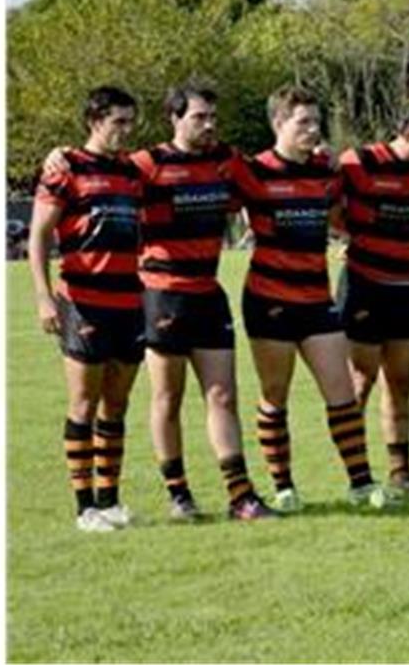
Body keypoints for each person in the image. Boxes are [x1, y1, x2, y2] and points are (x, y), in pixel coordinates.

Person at [231, 86, 388, 513]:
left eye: (316, 121)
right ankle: (283, 486)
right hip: (269, 299)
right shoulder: (253, 171)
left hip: (317, 299)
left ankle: (361, 483)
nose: (313, 129)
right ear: (278, 124)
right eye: (303, 122)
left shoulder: (326, 169)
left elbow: (348, 193)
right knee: (275, 394)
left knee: (340, 391)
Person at [131, 86, 275, 521]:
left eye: (213, 116)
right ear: (174, 119)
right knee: (167, 398)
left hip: (209, 294)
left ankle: (241, 496)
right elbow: (101, 184)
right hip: (163, 295)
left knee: (223, 395)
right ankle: (179, 496)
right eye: (199, 116)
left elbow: (266, 186)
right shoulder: (147, 164)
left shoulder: (226, 160)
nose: (209, 124)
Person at [29, 86, 144, 532]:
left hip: (130, 303)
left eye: (130, 122)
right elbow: (39, 236)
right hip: (82, 304)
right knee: (83, 402)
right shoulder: (66, 169)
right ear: (95, 120)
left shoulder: (134, 171)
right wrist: (43, 295)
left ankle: (110, 500)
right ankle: (84, 509)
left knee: (117, 404)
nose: (125, 130)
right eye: (118, 121)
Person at [337, 104, 409, 495]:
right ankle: (358, 476)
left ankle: (401, 472)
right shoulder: (359, 162)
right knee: (361, 380)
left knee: (401, 380)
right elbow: (331, 208)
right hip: (363, 285)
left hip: (403, 286)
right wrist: (351, 234)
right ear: (408, 132)